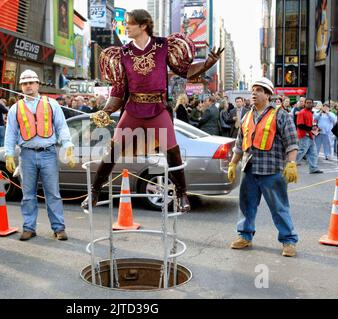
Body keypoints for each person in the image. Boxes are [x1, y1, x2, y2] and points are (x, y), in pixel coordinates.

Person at [82, 9, 222, 212]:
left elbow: (184, 71)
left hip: (157, 109)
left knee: (173, 152)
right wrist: (105, 110)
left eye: (130, 23)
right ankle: (94, 191)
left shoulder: (163, 45)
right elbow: (119, 90)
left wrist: (208, 63)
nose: (126, 26)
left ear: (143, 25)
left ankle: (182, 193)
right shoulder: (123, 52)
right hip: (133, 108)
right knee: (112, 152)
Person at [227, 77, 299, 257]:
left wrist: (291, 163)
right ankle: (245, 235)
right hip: (250, 169)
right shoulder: (247, 115)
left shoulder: (280, 114)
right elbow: (239, 143)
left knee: (279, 207)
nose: (254, 93)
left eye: (259, 90)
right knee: (246, 205)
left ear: (267, 95)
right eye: (253, 89)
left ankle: (288, 241)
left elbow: (292, 142)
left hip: (272, 170)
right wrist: (233, 163)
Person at [4, 70, 75, 241]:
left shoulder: (51, 104)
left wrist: (67, 146)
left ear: (37, 84)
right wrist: (8, 153)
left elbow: (61, 126)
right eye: (25, 83)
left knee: (53, 193)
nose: (28, 86)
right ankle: (29, 228)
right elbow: (11, 133)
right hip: (26, 155)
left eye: (31, 82)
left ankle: (59, 228)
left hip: (48, 153)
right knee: (28, 194)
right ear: (21, 87)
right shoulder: (15, 108)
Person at [296, 98, 323, 173]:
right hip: (304, 135)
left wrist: (315, 128)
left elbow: (311, 124)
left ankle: (313, 168)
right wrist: (311, 128)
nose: (309, 104)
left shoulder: (310, 112)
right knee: (302, 151)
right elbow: (300, 125)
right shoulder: (302, 112)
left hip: (309, 135)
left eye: (310, 103)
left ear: (312, 104)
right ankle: (290, 164)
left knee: (313, 152)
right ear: (304, 104)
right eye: (307, 103)